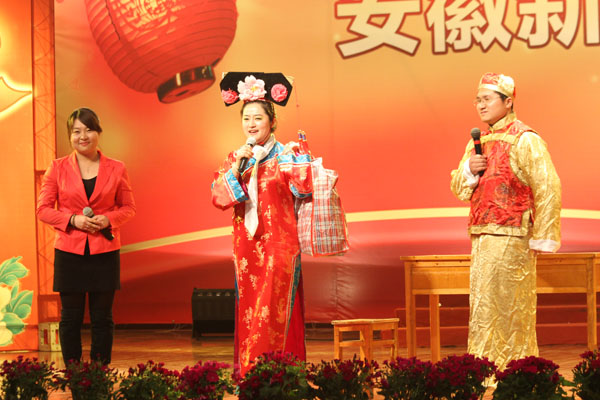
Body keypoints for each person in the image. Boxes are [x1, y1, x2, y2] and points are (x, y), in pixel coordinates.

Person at [450, 73, 561, 371]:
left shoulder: (525, 139)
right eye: (478, 100)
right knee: (483, 308)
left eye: (487, 99)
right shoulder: (478, 142)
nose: (481, 105)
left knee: (510, 307)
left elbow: (547, 185)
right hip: (482, 235)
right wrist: (469, 171)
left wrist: (544, 233)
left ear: (508, 102)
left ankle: (516, 370)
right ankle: (483, 368)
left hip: (513, 236)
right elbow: (460, 189)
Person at [211, 73, 312, 375]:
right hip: (247, 248)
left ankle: (281, 375)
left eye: (258, 118)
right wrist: (235, 168)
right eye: (246, 118)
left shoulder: (287, 154)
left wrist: (302, 160)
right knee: (251, 308)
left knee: (274, 308)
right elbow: (218, 197)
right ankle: (251, 374)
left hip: (280, 245)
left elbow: (304, 190)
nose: (251, 124)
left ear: (272, 121)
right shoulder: (236, 157)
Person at [37, 107, 136, 365]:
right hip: (69, 252)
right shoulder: (57, 168)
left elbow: (128, 208)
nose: (83, 136)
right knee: (70, 317)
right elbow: (43, 209)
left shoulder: (117, 168)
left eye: (89, 130)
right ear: (70, 136)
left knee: (102, 318)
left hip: (105, 251)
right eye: (76, 131)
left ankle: (99, 373)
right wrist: (73, 220)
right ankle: (73, 373)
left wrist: (108, 219)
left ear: (98, 132)